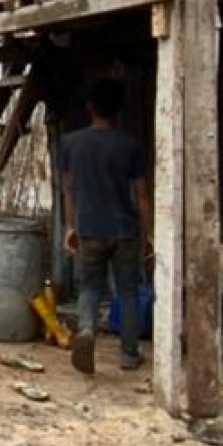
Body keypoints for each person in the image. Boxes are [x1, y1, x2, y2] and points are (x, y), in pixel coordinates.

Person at [59, 80, 151, 375]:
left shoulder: (70, 143)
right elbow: (142, 195)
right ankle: (129, 354)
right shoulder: (130, 145)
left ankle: (86, 330)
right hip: (124, 229)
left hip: (89, 228)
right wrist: (149, 233)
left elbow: (69, 189)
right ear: (118, 111)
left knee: (89, 286)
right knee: (127, 291)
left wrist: (71, 227)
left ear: (90, 108)